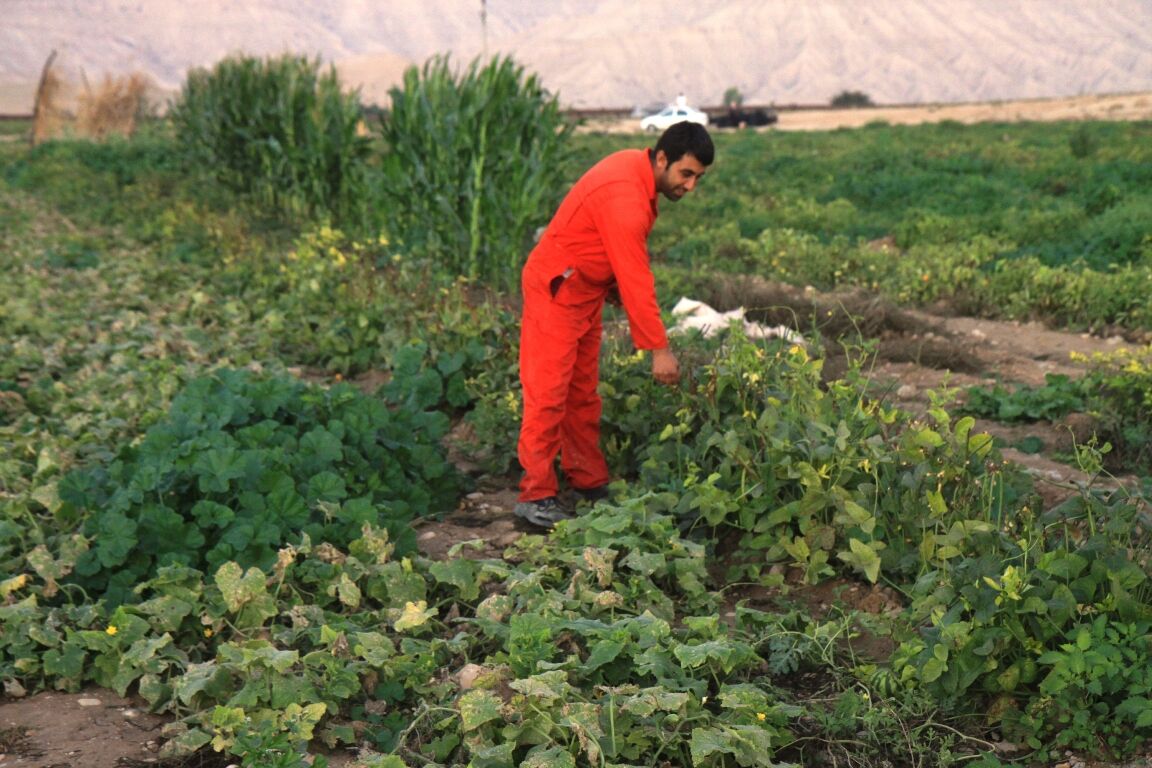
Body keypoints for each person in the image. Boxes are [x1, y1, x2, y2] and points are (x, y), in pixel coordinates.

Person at [514, 121, 715, 527]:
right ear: (663, 159)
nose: (690, 186)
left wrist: (614, 293)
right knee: (549, 392)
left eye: (698, 177)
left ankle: (587, 481)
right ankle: (535, 497)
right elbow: (634, 275)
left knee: (581, 393)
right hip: (558, 288)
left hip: (583, 290)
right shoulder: (627, 198)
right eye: (686, 174)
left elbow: (605, 251)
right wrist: (660, 350)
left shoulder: (635, 168)